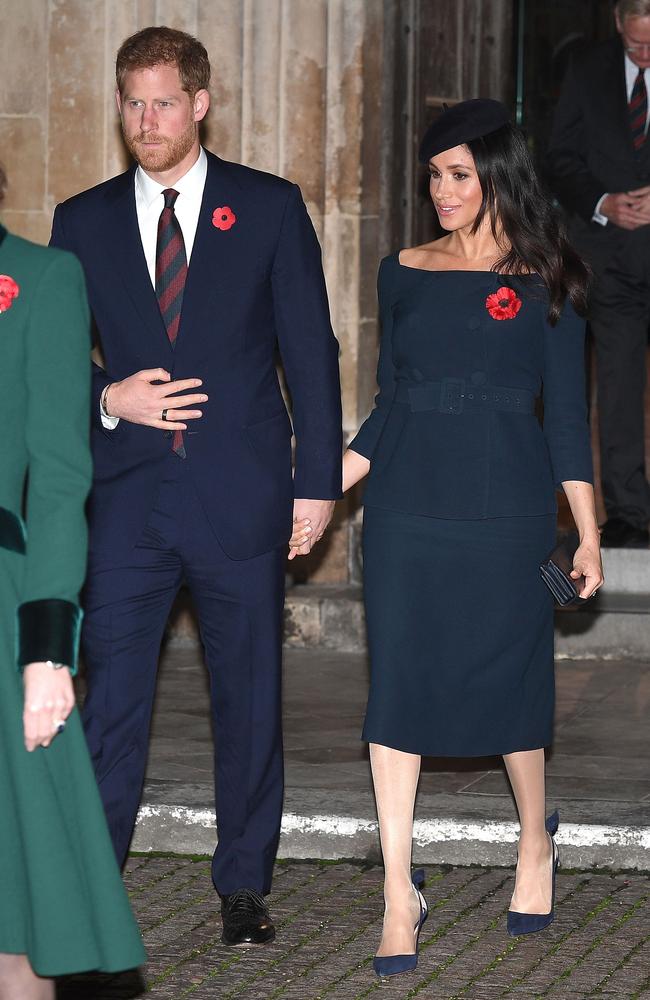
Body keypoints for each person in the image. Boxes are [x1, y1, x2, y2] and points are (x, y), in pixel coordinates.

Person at [50, 26, 342, 947]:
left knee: (249, 698)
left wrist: (317, 484)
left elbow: (312, 353)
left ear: (201, 104)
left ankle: (245, 888)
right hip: (128, 503)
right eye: (133, 103)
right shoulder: (83, 220)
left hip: (240, 494)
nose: (146, 121)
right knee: (112, 705)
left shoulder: (266, 208)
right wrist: (109, 396)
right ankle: (92, 887)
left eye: (163, 103)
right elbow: (52, 364)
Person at [309, 100, 603, 978]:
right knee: (397, 688)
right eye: (434, 175)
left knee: (514, 684)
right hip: (405, 513)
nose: (442, 190)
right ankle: (399, 890)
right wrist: (315, 493)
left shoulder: (550, 276)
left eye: (459, 175)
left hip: (508, 512)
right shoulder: (402, 271)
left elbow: (565, 432)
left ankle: (534, 844)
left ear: (498, 177)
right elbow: (388, 409)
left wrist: (586, 536)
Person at [0, 166, 145, 999]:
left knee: (17, 918)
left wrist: (47, 653)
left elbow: (59, 481)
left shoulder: (43, 281)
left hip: (4, 603)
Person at [547, 0, 650, 548]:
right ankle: (630, 511)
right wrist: (605, 201)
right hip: (610, 257)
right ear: (618, 24)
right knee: (618, 383)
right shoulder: (588, 70)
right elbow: (559, 156)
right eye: (636, 44)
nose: (645, 54)